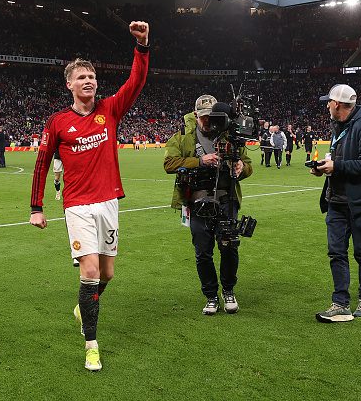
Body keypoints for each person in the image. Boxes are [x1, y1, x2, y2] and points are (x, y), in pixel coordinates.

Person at [29, 21, 150, 371]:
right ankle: (91, 345)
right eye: (81, 77)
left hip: (109, 202)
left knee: (108, 274)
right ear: (69, 84)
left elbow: (136, 82)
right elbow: (41, 165)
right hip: (78, 205)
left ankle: (85, 305)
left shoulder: (109, 110)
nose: (89, 81)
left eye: (92, 77)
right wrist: (36, 207)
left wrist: (141, 47)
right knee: (91, 270)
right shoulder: (57, 122)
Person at [164, 94, 253, 316]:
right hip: (197, 202)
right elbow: (169, 163)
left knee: (229, 248)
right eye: (203, 117)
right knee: (203, 252)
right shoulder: (183, 137)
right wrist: (200, 161)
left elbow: (249, 165)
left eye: (211, 116)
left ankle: (229, 291)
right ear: (195, 115)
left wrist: (241, 168)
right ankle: (211, 295)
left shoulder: (229, 134)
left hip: (226, 199)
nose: (207, 121)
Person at [311, 84, 361, 323]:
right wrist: (325, 168)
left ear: (338, 104)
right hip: (337, 200)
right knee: (336, 252)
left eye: (329, 102)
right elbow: (342, 160)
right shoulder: (340, 125)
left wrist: (338, 167)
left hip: (360, 201)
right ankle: (340, 303)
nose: (327, 106)